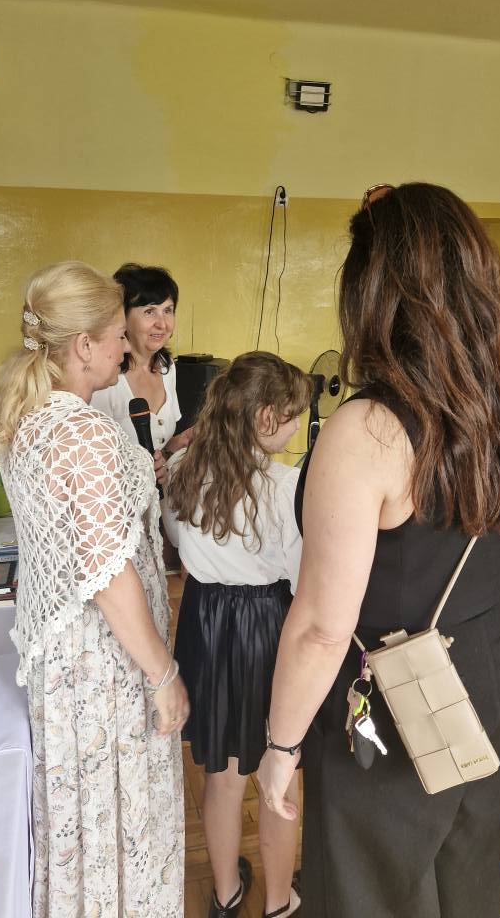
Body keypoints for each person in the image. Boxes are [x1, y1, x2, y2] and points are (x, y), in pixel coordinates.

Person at [256, 183, 500, 918]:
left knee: (371, 892)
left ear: (372, 293)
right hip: (496, 665)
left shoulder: (368, 428)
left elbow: (322, 626)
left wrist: (281, 747)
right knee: (468, 883)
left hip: (395, 688)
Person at [0, 261, 188, 918]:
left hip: (69, 659)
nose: (126, 346)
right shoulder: (80, 431)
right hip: (104, 662)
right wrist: (163, 674)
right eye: (116, 335)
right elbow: (107, 575)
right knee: (119, 814)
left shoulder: (32, 413)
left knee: (87, 815)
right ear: (82, 345)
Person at [163, 351, 311, 918]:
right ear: (266, 416)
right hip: (265, 628)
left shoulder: (183, 468)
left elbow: (178, 544)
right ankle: (278, 902)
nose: (295, 429)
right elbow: (299, 576)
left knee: (221, 776)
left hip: (204, 623)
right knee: (280, 775)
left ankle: (225, 895)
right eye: (292, 416)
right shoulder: (285, 485)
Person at [91, 262, 192, 457]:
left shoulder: (167, 366)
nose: (162, 324)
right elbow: (95, 457)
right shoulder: (104, 379)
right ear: (122, 316)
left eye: (168, 310)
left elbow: (157, 449)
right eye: (149, 311)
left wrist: (175, 445)